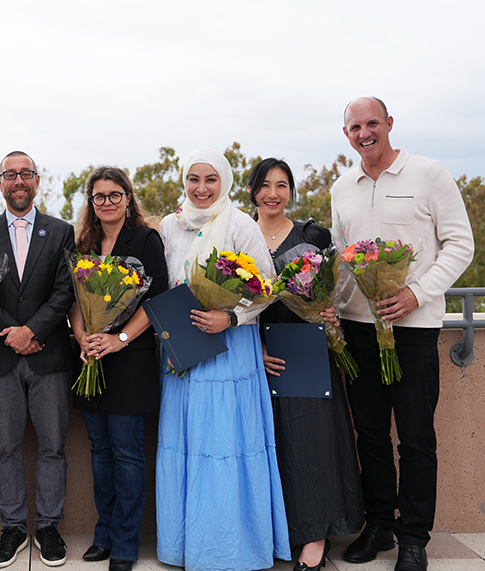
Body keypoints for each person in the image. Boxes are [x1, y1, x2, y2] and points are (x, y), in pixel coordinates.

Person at [331, 97, 474, 571]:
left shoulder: (429, 173)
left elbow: (460, 244)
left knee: (414, 437)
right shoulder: (341, 187)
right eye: (355, 126)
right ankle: (379, 527)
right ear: (346, 132)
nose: (364, 132)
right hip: (356, 328)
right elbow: (342, 259)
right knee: (368, 434)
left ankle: (414, 536)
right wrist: (327, 309)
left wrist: (417, 292)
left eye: (373, 123)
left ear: (389, 124)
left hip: (413, 329)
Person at [155, 148, 290, 571]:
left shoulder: (241, 223)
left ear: (225, 182)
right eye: (193, 179)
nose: (201, 188)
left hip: (231, 352)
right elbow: (165, 286)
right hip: (184, 352)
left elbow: (267, 288)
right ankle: (184, 545)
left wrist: (229, 316)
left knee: (227, 444)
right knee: (189, 443)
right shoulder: (170, 226)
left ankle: (234, 547)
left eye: (210, 179)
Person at [248, 158, 364, 571]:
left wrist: (329, 310)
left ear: (291, 192)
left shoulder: (312, 235)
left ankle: (315, 535)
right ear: (252, 191)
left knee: (310, 442)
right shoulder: (239, 236)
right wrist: (252, 349)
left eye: (282, 185)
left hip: (305, 351)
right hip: (254, 352)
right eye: (265, 185)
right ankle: (279, 533)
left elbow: (335, 286)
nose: (273, 194)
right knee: (267, 447)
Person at [0, 151, 75, 568]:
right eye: (10, 175)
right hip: (0, 358)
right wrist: (13, 334)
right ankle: (12, 528)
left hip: (49, 356)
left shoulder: (61, 231)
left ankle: (48, 526)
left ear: (36, 181)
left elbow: (66, 291)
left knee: (53, 447)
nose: (18, 181)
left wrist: (33, 331)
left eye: (25, 174)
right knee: (6, 447)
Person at [68, 167, 167, 571]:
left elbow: (156, 299)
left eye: (114, 195)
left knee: (127, 453)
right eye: (98, 196)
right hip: (90, 357)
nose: (106, 202)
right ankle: (104, 532)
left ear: (128, 197)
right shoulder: (84, 244)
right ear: (90, 203)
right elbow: (73, 299)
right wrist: (82, 338)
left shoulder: (145, 239)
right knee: (100, 451)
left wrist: (118, 339)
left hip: (131, 359)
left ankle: (125, 542)